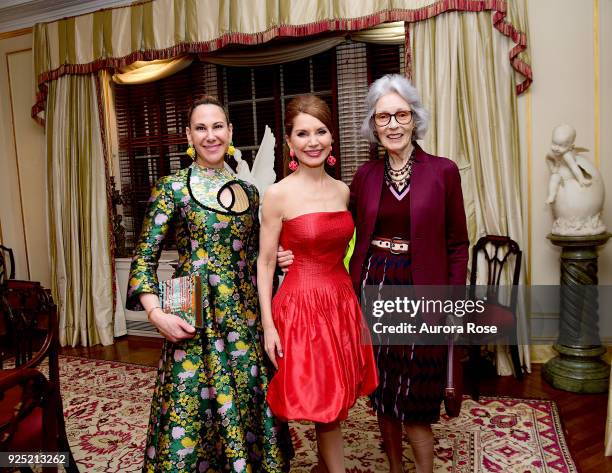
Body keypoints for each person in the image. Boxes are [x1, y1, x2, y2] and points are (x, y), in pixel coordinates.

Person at [279, 75, 469, 473]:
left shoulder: (443, 172)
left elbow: (457, 244)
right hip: (373, 289)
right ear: (373, 125)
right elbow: (332, 231)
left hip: (423, 290)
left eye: (401, 114)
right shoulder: (364, 178)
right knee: (382, 390)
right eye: (384, 117)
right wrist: (289, 253)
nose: (393, 124)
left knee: (417, 397)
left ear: (415, 119)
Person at [126, 95, 292, 473]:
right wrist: (155, 314)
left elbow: (252, 258)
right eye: (201, 128)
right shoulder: (172, 188)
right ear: (188, 135)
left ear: (230, 132)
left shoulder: (250, 193)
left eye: (217, 126)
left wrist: (276, 258)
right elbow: (144, 258)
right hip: (193, 315)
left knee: (248, 403)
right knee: (190, 408)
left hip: (243, 319)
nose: (210, 135)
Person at [257, 94, 379, 473]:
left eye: (321, 131)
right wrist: (268, 327)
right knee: (324, 403)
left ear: (331, 138)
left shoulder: (343, 191)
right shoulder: (278, 195)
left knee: (336, 399)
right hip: (301, 307)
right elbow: (264, 262)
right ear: (290, 142)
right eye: (303, 133)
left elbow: (349, 248)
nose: (313, 141)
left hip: (340, 302)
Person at [546, 123, 590, 204]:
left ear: (570, 147)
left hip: (569, 177)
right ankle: (552, 195)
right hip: (560, 174)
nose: (556, 148)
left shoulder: (567, 155)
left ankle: (581, 182)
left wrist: (581, 179)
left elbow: (574, 167)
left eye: (561, 146)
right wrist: (552, 167)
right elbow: (548, 158)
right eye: (554, 143)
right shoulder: (551, 153)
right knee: (554, 177)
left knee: (572, 192)